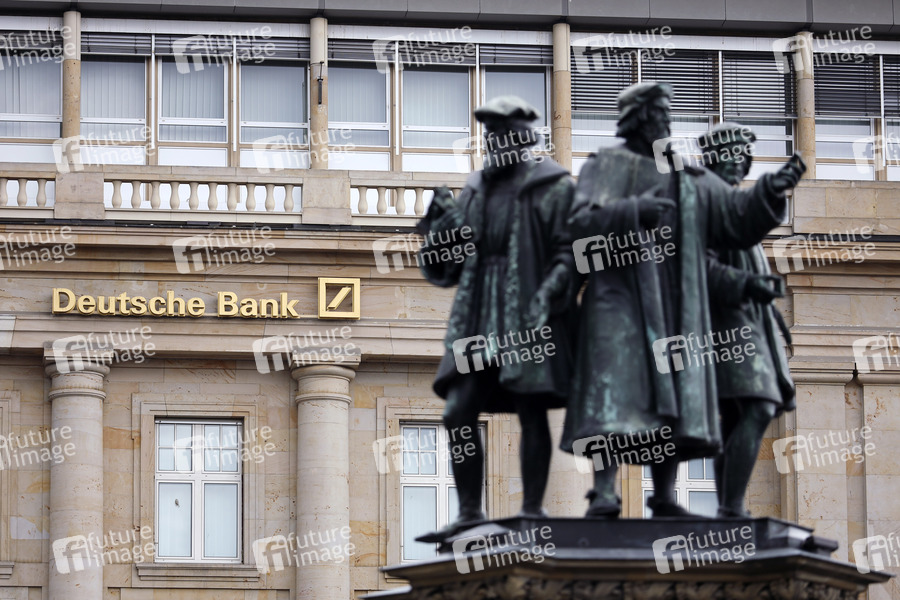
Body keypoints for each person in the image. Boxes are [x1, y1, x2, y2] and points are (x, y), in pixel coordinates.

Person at [560, 82, 805, 518]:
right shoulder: (606, 164)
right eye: (659, 115)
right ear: (638, 119)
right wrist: (634, 211)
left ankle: (664, 496)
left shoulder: (686, 176)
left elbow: (734, 220)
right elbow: (579, 224)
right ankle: (604, 491)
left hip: (673, 304)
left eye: (668, 115)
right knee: (610, 392)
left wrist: (771, 190)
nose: (666, 123)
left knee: (670, 398)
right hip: (617, 299)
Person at [415, 96, 577, 540]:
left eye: (501, 132)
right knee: (457, 411)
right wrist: (443, 224)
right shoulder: (476, 188)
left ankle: (532, 508)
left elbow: (570, 250)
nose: (493, 141)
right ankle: (469, 511)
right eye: (489, 134)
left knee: (531, 406)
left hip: (526, 308)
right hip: (478, 310)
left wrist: (549, 292)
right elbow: (452, 261)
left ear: (522, 137)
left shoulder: (554, 185)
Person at [699, 123, 796, 518]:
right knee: (759, 406)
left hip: (747, 320)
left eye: (744, 156)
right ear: (715, 158)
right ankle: (732, 507)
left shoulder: (731, 205)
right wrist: (747, 286)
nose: (740, 163)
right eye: (733, 155)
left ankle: (729, 507)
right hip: (726, 324)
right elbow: (698, 265)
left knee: (738, 415)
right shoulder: (707, 200)